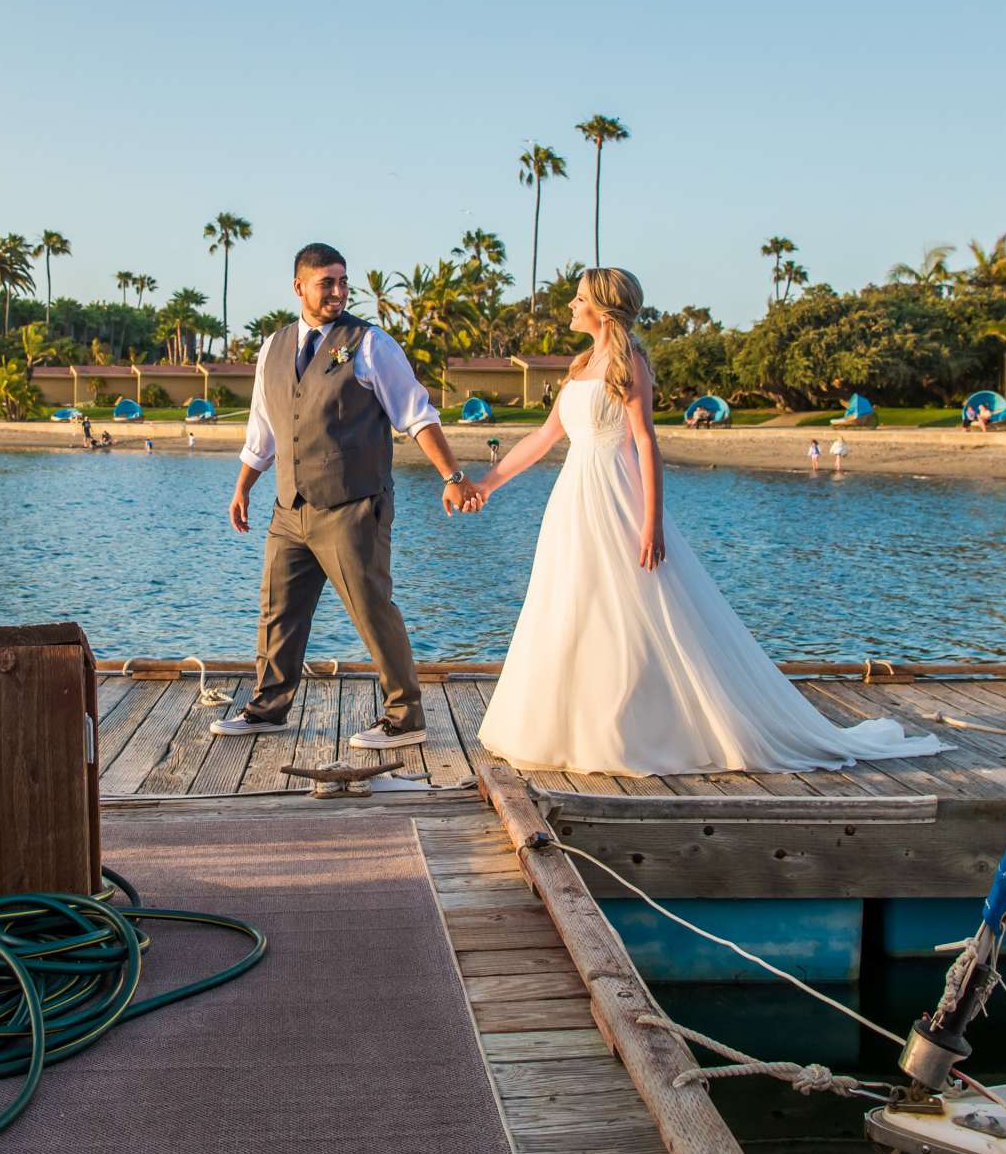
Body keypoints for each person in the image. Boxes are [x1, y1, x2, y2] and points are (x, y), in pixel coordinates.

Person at [468, 266, 943, 776]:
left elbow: (646, 441)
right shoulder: (580, 365)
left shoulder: (629, 366)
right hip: (573, 499)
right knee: (571, 604)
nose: (570, 305)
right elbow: (543, 439)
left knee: (634, 609)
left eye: (577, 298)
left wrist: (651, 523)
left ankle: (640, 727)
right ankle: (564, 724)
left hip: (617, 497)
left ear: (601, 309)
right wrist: (486, 484)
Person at [215, 242, 481, 751]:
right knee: (279, 610)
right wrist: (243, 487)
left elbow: (416, 415)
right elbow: (263, 429)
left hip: (354, 505)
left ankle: (405, 718)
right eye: (326, 282)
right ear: (299, 287)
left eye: (343, 281)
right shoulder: (272, 348)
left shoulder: (369, 343)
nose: (338, 291)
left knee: (371, 607)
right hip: (290, 507)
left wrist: (452, 476)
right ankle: (268, 709)